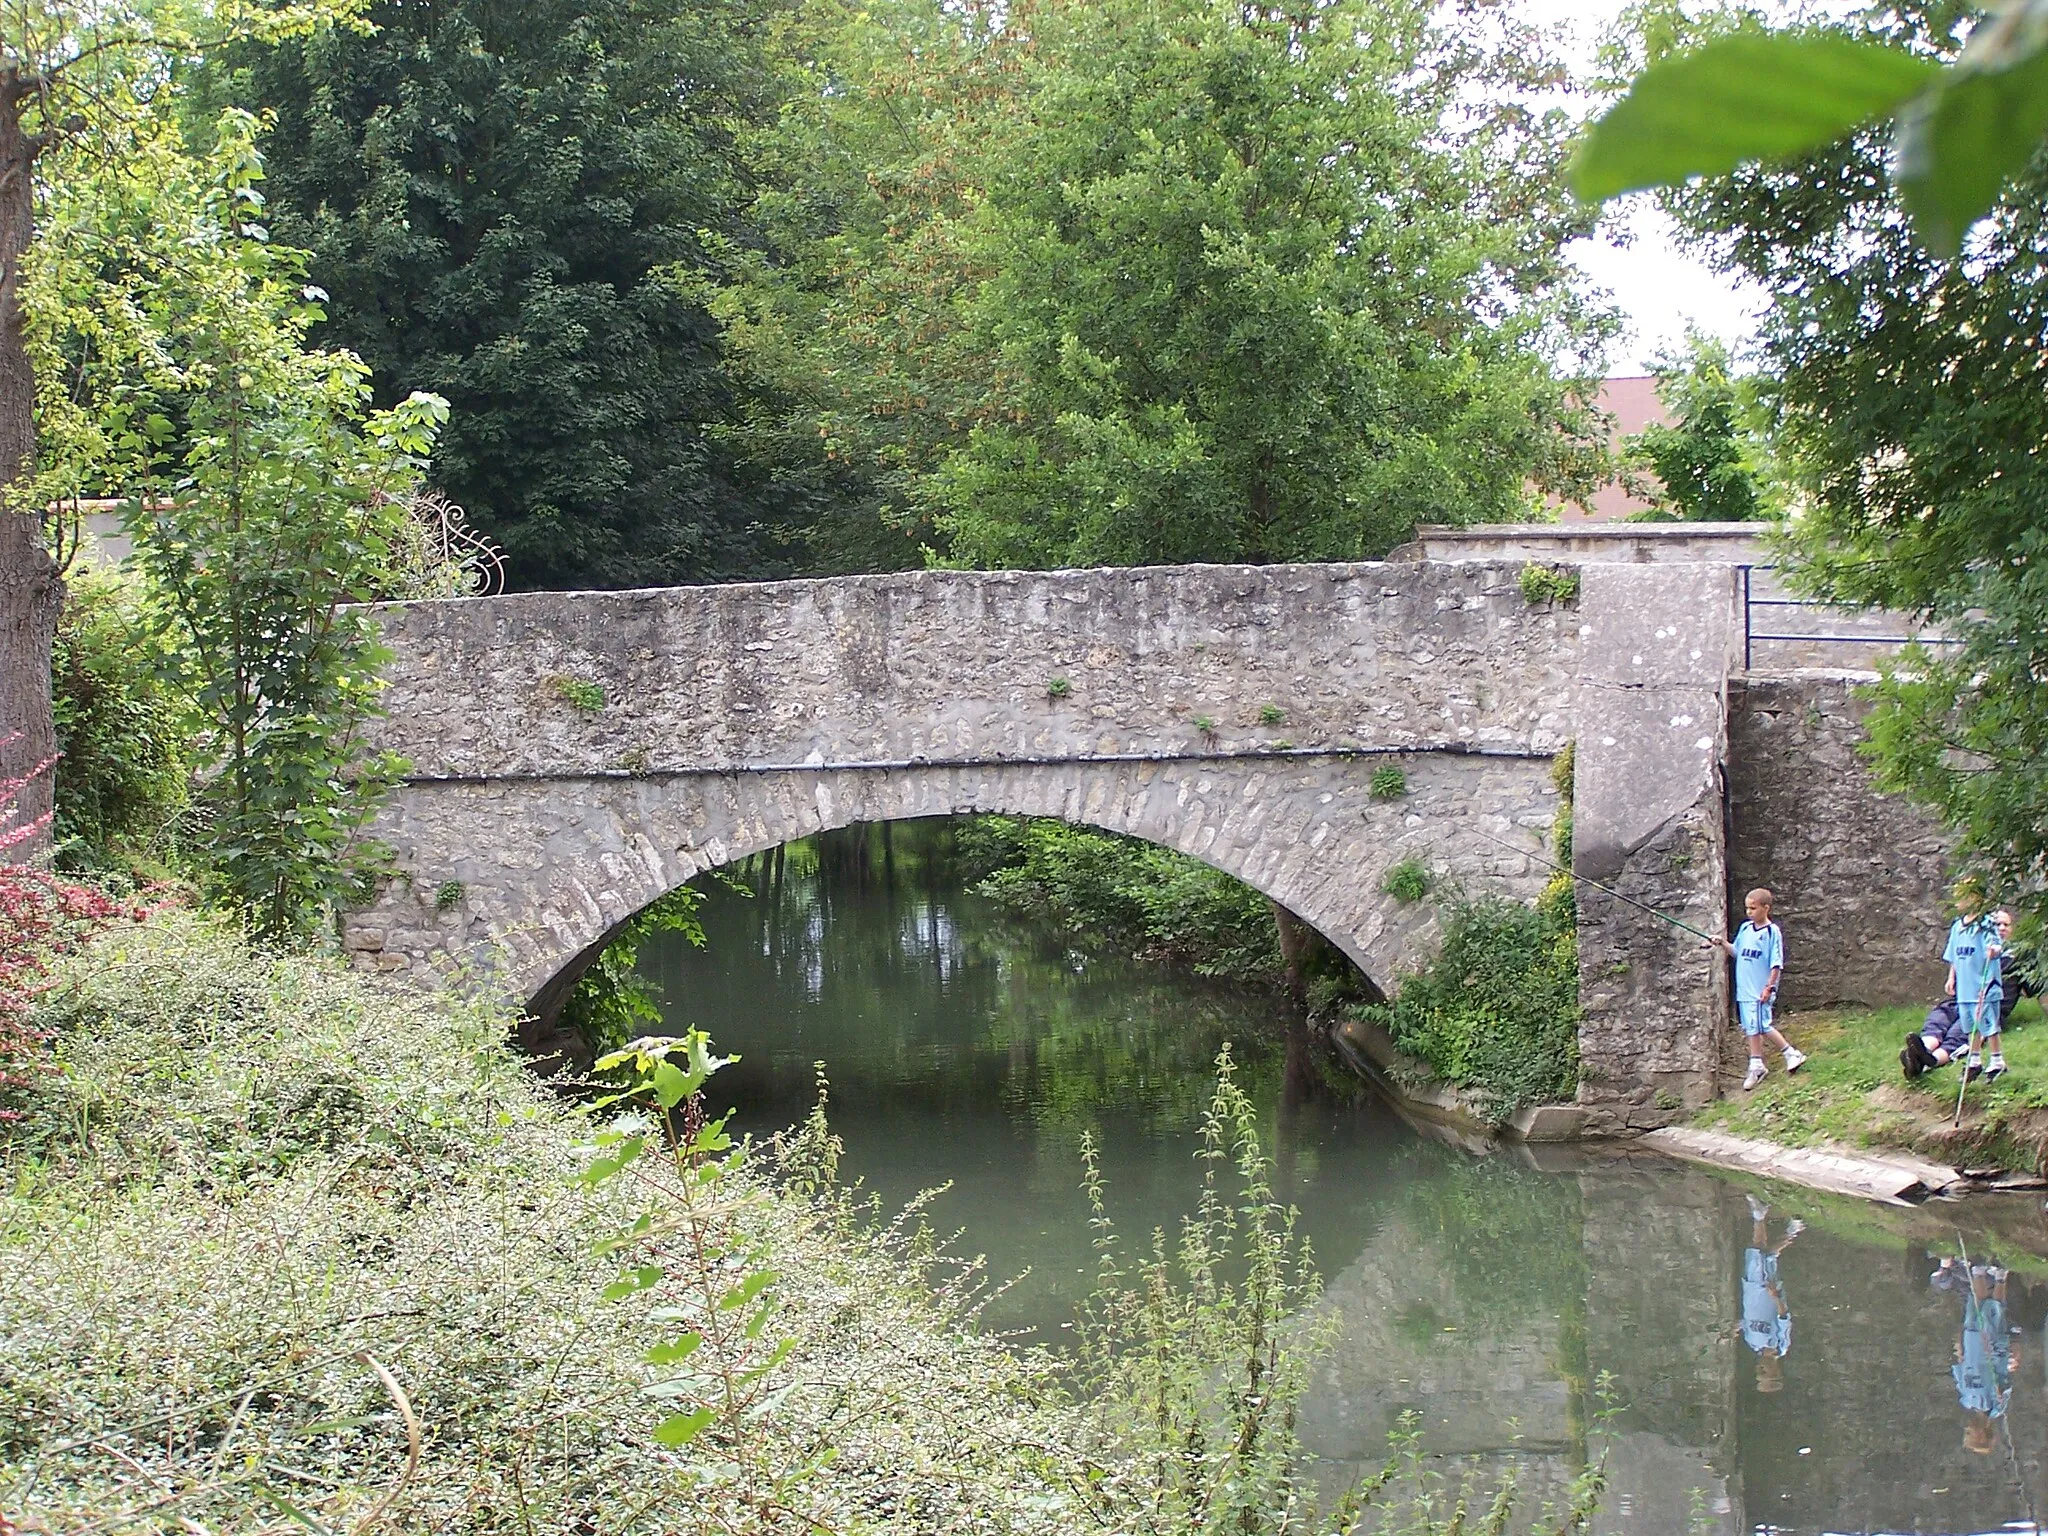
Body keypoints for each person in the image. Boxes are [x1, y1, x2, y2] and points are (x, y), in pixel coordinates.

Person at [1708, 887, 1806, 1091]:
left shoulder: (1772, 932)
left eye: (1753, 908)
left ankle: (1791, 1053)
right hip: (1745, 988)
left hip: (1760, 988)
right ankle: (1756, 1064)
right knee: (1751, 1027)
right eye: (1747, 908)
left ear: (1765, 908)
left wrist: (1769, 987)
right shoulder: (1745, 929)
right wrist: (1723, 943)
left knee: (1762, 1024)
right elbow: (1737, 952)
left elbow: (1776, 963)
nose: (1749, 912)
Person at [1934, 1257, 2017, 1454]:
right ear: (1981, 1434)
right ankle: (2000, 1277)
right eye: (1969, 1433)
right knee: (1995, 1311)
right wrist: (2000, 1390)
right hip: (1992, 1352)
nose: (1967, 1429)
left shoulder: (1966, 1400)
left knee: (1976, 1307)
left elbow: (1961, 1373)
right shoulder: (1996, 1409)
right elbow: (2005, 1385)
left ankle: (1978, 1270)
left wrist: (1960, 1351)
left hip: (1972, 1348)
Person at [1945, 880, 2006, 1081]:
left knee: (1988, 1024)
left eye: (1963, 896)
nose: (1958, 901)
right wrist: (1951, 978)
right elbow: (1953, 955)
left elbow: (1996, 947)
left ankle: (1997, 1060)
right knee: (1970, 1025)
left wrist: (1994, 950)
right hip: (1966, 988)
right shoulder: (1957, 927)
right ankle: (1974, 1060)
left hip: (1984, 986)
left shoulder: (1986, 924)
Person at [1742, 1194, 1803, 1394]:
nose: (1759, 1368)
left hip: (1751, 1289)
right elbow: (1784, 1317)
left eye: (1757, 1372)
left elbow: (1748, 1320)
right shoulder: (1781, 1345)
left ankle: (1792, 1229)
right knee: (1758, 1250)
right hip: (1767, 1291)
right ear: (1775, 1370)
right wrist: (1775, 1296)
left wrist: (1735, 1327)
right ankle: (1760, 1214)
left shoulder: (1752, 1344)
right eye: (1764, 1372)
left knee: (1766, 1255)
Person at [1904, 996, 1971, 1079]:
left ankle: (1930, 1060)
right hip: (1957, 999)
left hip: (1981, 1006)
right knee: (1936, 1022)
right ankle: (1921, 1049)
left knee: (1958, 1034)